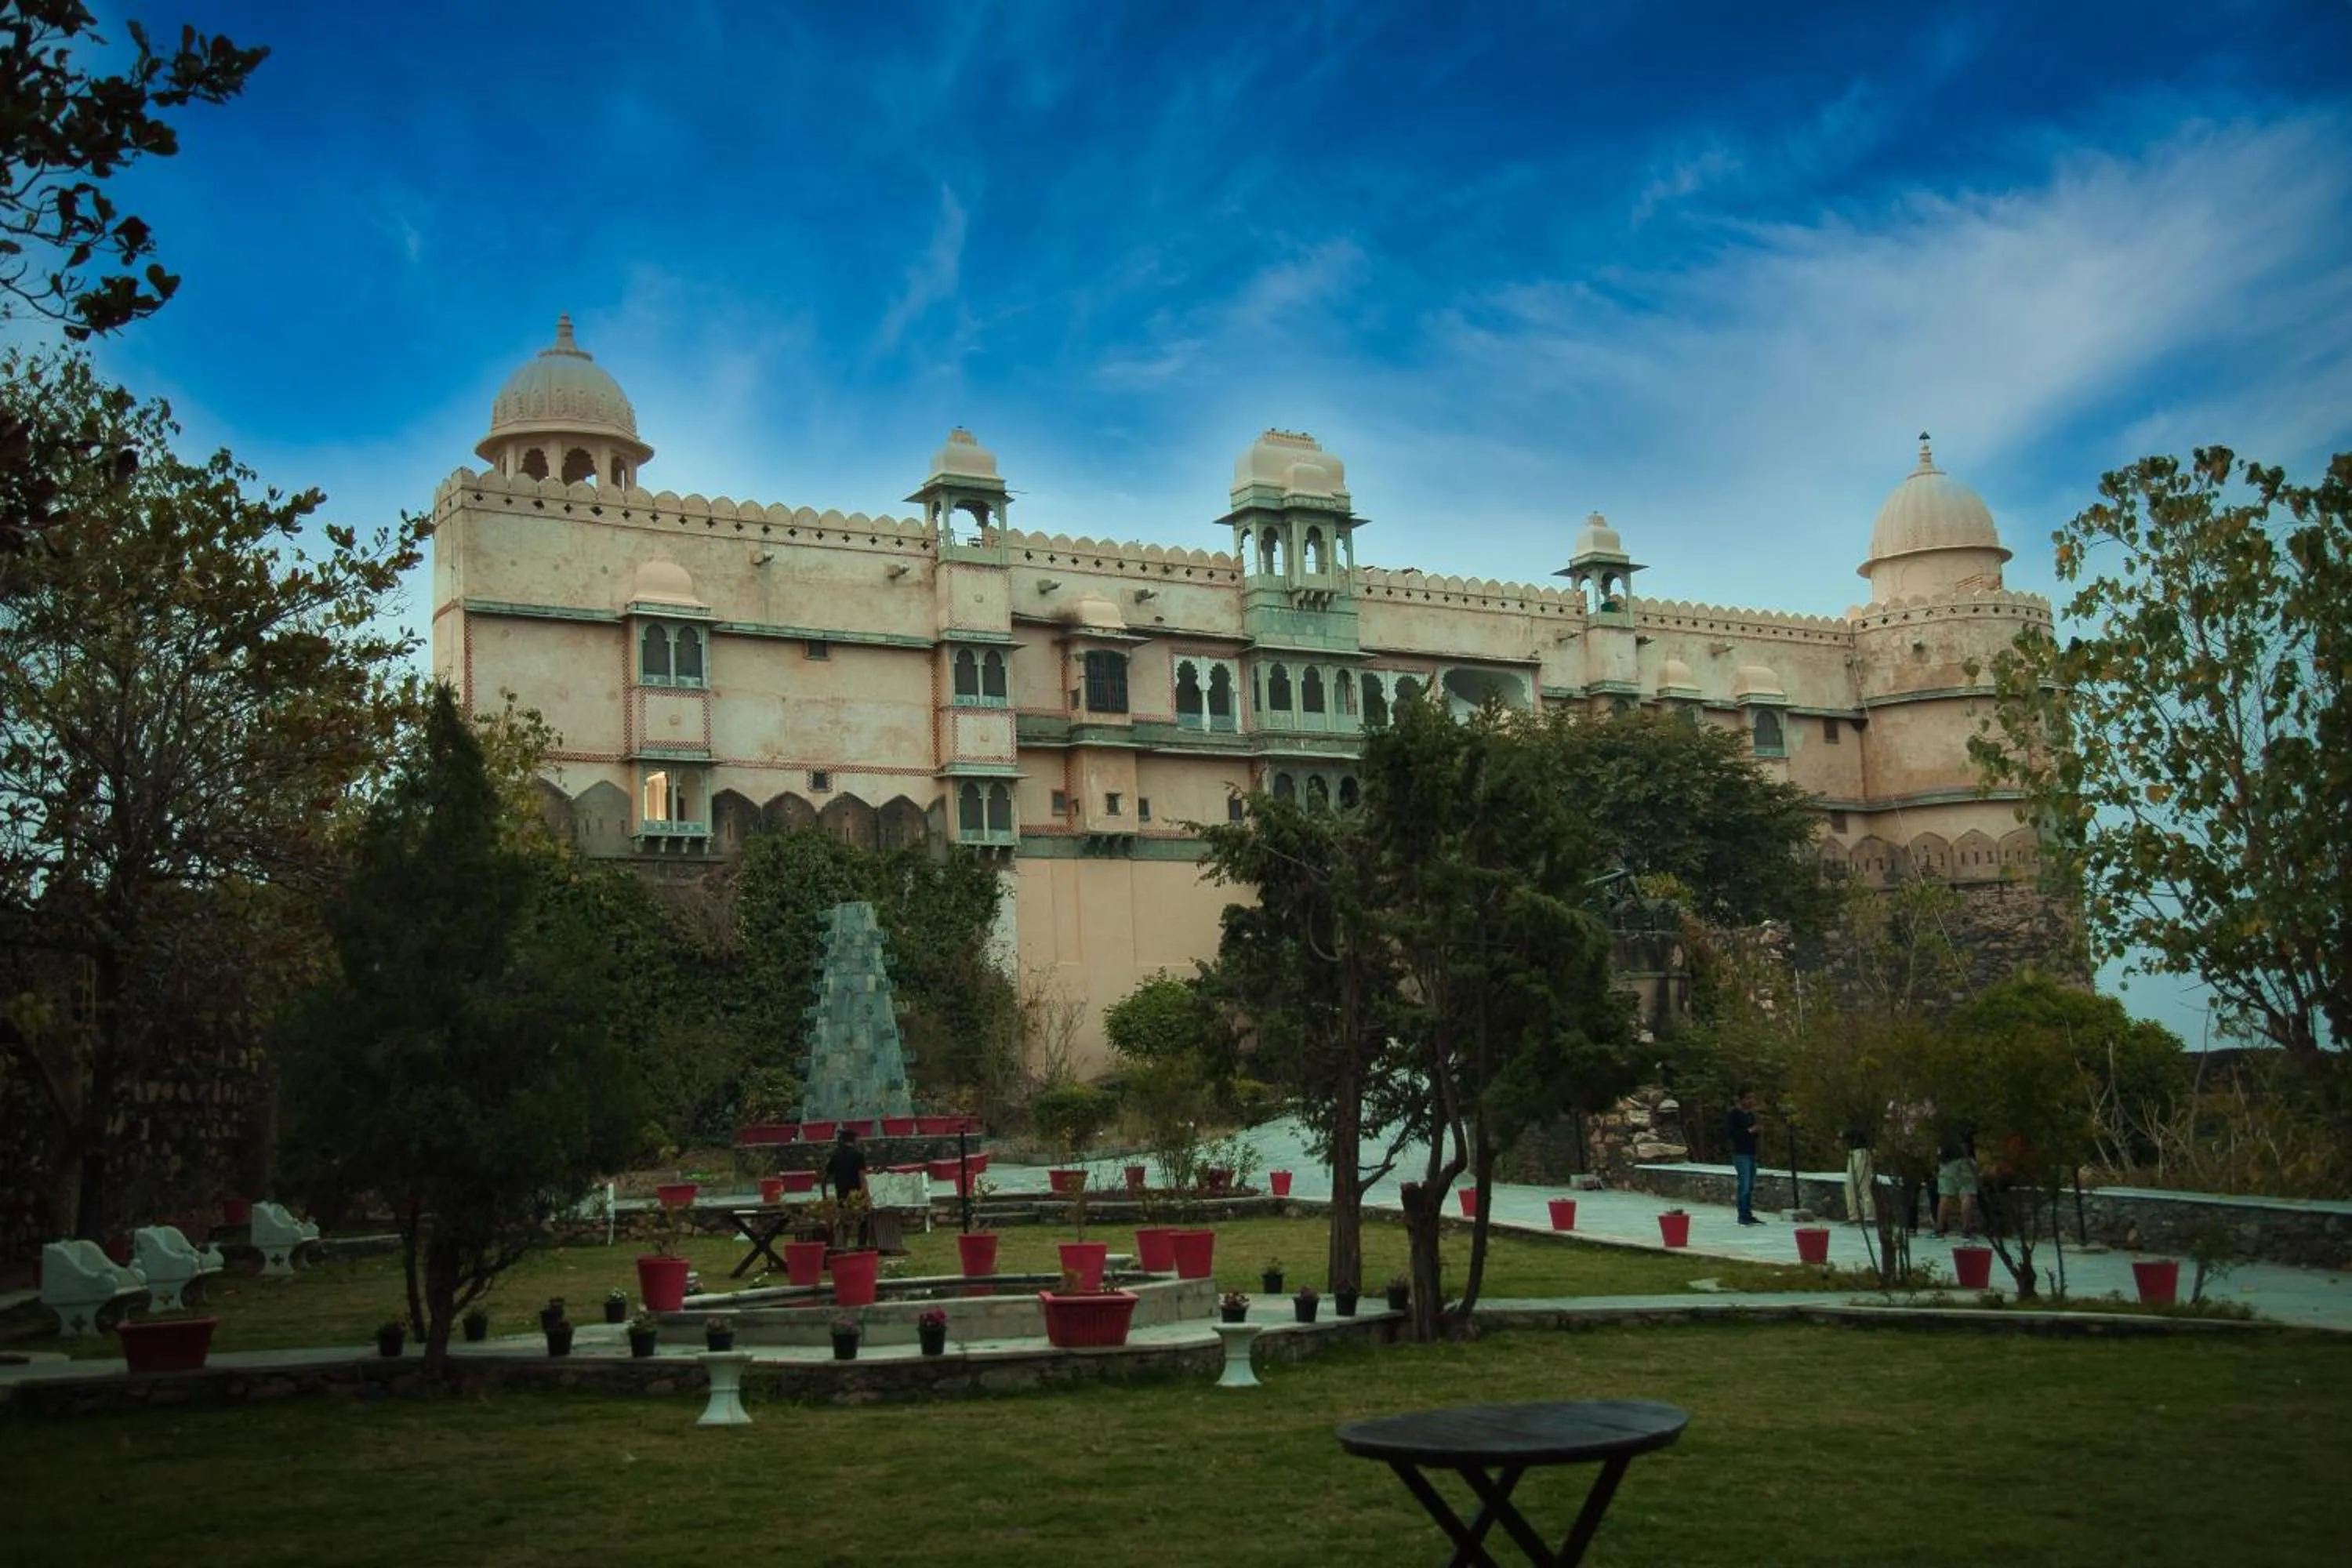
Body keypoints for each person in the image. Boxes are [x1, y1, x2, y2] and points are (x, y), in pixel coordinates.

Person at [1726, 1090, 1764, 1225]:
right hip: (1741, 1153)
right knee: (1745, 1185)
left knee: (1751, 1185)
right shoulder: (1734, 1115)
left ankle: (1748, 1213)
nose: (1751, 1101)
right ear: (1741, 1100)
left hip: (1751, 1152)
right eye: (1748, 1098)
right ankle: (1742, 1215)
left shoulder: (1751, 1115)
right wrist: (1748, 1131)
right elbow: (1731, 1134)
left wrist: (1757, 1132)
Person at [1934, 1130, 1980, 1239]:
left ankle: (1940, 1229)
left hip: (1948, 1159)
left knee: (1945, 1195)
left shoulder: (1943, 1121)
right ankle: (1966, 1230)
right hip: (1966, 1157)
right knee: (1966, 1194)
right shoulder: (1967, 1117)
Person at [1842, 1115, 1876, 1228]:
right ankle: (1853, 1216)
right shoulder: (1850, 1123)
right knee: (1849, 1185)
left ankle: (1870, 1217)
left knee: (1863, 1185)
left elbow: (1856, 1132)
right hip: (1853, 1153)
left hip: (1861, 1153)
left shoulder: (1860, 1123)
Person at [825, 1123, 868, 1203]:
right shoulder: (858, 1155)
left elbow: (825, 1177)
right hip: (856, 1196)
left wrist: (825, 1196)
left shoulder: (835, 1155)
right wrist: (867, 1197)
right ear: (854, 1140)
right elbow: (862, 1178)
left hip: (841, 1195)